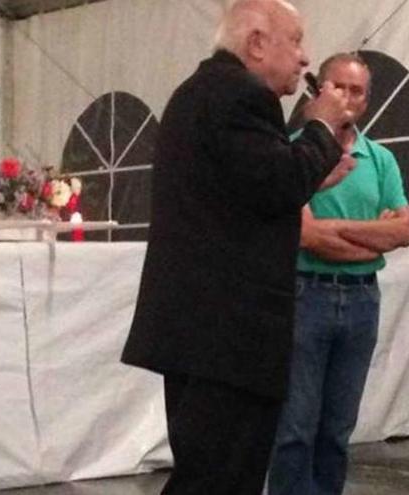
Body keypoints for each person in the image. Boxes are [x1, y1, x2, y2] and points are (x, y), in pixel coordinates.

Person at [120, 1, 354, 494]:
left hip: (203, 329)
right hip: (227, 333)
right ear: (255, 43)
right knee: (220, 480)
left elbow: (247, 195)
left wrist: (312, 168)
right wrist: (319, 126)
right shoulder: (241, 95)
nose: (306, 58)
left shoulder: (203, 93)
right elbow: (277, 182)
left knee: (208, 475)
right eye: (295, 40)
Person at [268, 53, 409, 495]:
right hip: (304, 296)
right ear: (320, 90)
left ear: (367, 101)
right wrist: (372, 236)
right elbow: (304, 235)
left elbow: (405, 230)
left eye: (358, 91)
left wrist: (335, 230)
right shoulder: (294, 151)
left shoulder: (381, 160)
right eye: (339, 87)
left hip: (361, 302)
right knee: (295, 429)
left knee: (337, 431)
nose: (348, 99)